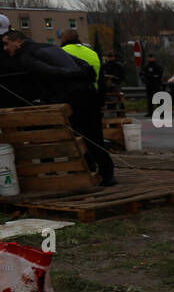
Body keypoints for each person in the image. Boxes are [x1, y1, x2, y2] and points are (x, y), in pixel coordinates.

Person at [4, 29, 114, 185]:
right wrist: (84, 74)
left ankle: (83, 173)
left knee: (76, 135)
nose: (5, 48)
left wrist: (70, 77)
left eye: (7, 44)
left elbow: (48, 72)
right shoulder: (51, 47)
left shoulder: (26, 56)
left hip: (71, 96)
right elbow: (83, 64)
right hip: (88, 92)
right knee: (94, 135)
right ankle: (107, 174)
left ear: (19, 41)